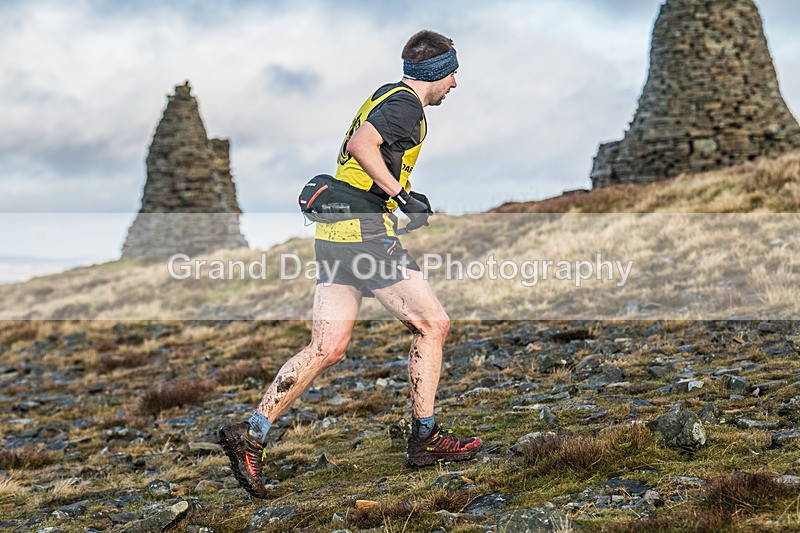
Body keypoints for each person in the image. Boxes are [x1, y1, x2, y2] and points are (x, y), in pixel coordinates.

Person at [219, 29, 482, 499]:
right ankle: (425, 438)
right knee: (433, 325)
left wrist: (400, 196)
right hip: (363, 234)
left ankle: (251, 434)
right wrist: (401, 196)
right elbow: (362, 145)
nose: (455, 84)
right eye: (452, 74)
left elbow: (364, 160)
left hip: (335, 235)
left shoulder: (384, 95)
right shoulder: (407, 105)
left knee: (327, 347)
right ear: (436, 72)